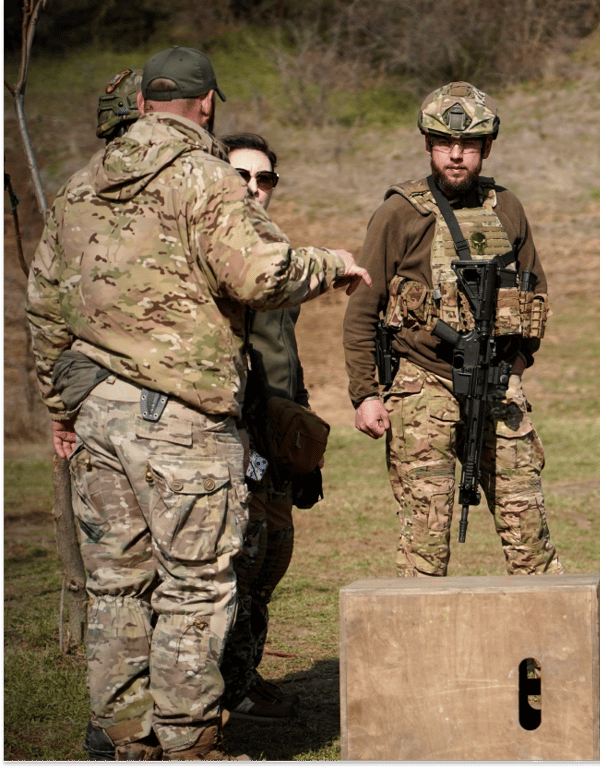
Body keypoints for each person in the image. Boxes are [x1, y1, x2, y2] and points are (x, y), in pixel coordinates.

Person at [27, 46, 368, 761]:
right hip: (180, 417)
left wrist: (62, 407)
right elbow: (260, 275)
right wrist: (332, 264)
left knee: (117, 585)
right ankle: (187, 742)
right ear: (206, 104)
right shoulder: (204, 177)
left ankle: (123, 735)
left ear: (143, 102)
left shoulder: (81, 185)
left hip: (97, 414)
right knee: (196, 585)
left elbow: (46, 308)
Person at [342, 82, 600, 698]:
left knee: (527, 527)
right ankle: (417, 671)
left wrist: (514, 362)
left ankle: (560, 664)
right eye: (444, 142)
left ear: (486, 148)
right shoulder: (399, 213)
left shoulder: (507, 208)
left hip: (496, 385)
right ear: (427, 144)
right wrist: (366, 393)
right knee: (425, 533)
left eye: (467, 144)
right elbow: (362, 310)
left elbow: (535, 292)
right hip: (423, 387)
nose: (455, 154)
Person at [217, 132, 313, 722]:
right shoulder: (212, 248)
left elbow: (286, 357)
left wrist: (304, 441)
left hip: (277, 437)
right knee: (240, 560)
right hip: (236, 435)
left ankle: (245, 674)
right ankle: (224, 689)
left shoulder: (276, 251)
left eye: (265, 178)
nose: (255, 188)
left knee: (272, 555)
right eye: (241, 176)